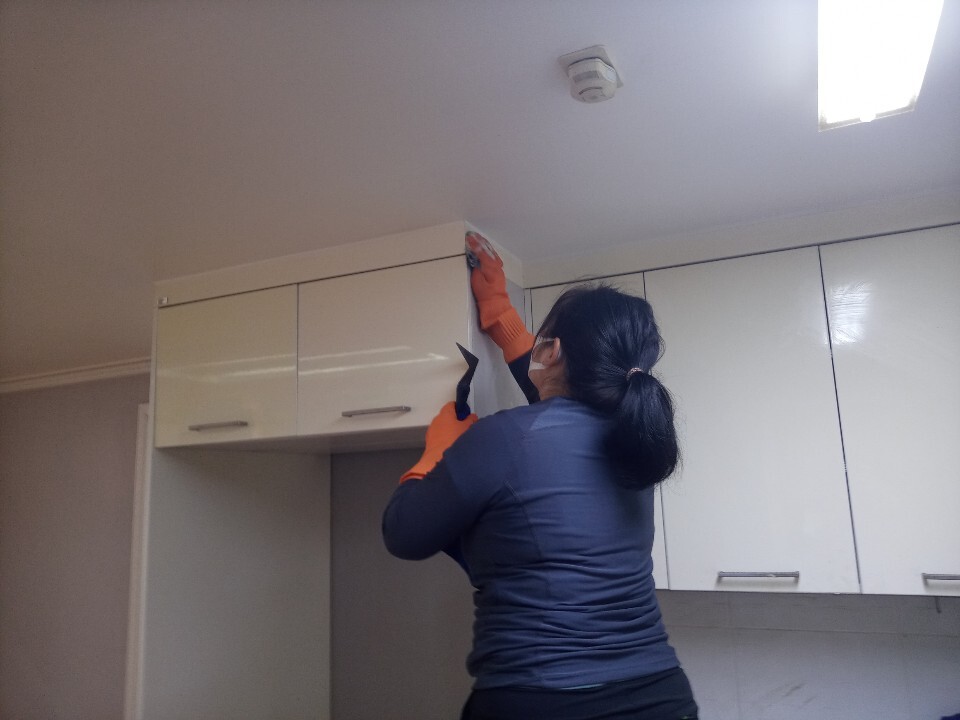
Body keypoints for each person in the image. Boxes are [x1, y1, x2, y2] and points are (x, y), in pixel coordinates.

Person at [382, 233, 698, 720]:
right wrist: (499, 315)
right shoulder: (636, 437)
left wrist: (436, 452)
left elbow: (405, 533)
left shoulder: (508, 438)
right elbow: (554, 411)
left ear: (552, 351)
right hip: (659, 695)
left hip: (543, 700)